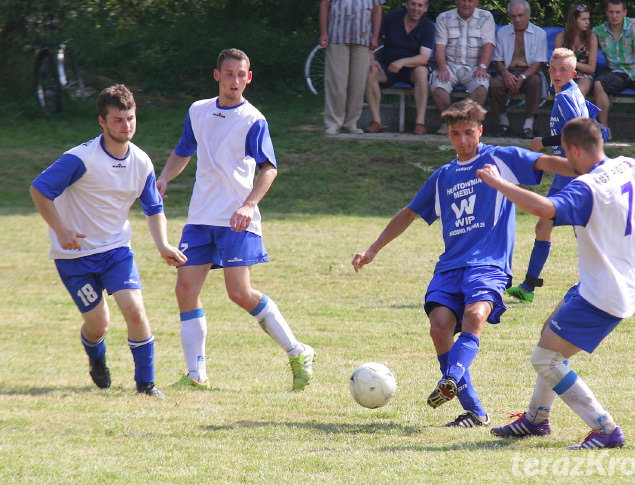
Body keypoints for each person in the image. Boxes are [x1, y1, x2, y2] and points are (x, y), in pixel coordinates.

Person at [352, 98, 578, 428]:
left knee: (475, 315)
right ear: (448, 134)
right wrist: (373, 249)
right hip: (450, 266)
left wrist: (589, 166)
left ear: (480, 130)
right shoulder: (443, 176)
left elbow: (547, 162)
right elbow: (409, 212)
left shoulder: (500, 159)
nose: (463, 140)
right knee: (439, 327)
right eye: (455, 134)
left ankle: (453, 377)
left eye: (469, 132)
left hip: (488, 263)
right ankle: (475, 410)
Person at [479, 117, 635, 449]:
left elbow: (545, 208)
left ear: (574, 149)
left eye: (565, 153)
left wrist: (498, 183)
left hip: (602, 294)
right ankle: (536, 419)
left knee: (545, 359)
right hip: (603, 284)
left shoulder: (587, 188)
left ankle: (606, 429)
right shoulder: (630, 166)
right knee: (549, 333)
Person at [156, 49, 316, 392]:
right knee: (185, 289)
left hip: (236, 219)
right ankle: (196, 374)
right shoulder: (198, 111)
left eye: (240, 74)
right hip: (200, 217)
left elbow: (269, 168)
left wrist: (248, 205)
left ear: (249, 77)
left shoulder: (253, 119)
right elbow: (184, 150)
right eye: (228, 74)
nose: (234, 80)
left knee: (239, 293)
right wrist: (165, 178)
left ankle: (297, 350)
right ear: (217, 75)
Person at [29, 84, 187, 398]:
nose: (126, 125)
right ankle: (95, 356)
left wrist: (163, 245)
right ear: (102, 122)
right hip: (74, 257)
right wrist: (61, 230)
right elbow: (39, 189)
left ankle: (146, 384)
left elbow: (154, 208)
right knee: (98, 324)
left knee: (135, 311)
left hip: (115, 250)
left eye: (130, 118)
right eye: (117, 120)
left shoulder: (141, 162)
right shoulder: (81, 159)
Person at [507, 48, 600, 303]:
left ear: (572, 73)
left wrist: (542, 142)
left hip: (571, 172)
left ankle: (624, 271)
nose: (557, 74)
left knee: (579, 229)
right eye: (554, 69)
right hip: (569, 170)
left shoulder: (565, 99)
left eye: (563, 70)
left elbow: (578, 131)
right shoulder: (571, 94)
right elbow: (591, 118)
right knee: (548, 225)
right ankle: (528, 287)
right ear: (549, 70)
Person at [592, 0, 635, 144]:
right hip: (619, 71)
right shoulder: (598, 31)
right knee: (598, 85)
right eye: (611, 12)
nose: (614, 16)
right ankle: (604, 129)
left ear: (625, 13)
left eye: (618, 12)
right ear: (606, 13)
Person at [365, 0, 435, 135]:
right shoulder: (392, 18)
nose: (416, 8)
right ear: (406, 5)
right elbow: (371, 38)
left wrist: (402, 62)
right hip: (387, 66)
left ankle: (420, 123)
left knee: (422, 72)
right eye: (413, 4)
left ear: (425, 8)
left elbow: (424, 57)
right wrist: (371, 59)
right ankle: (376, 121)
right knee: (371, 72)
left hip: (412, 69)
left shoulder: (427, 27)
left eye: (420, 5)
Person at [430, 0, 496, 135]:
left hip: (475, 67)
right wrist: (442, 68)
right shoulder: (444, 18)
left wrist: (482, 67)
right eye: (463, 0)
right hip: (449, 65)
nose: (466, 4)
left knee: (481, 88)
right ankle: (448, 123)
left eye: (470, 1)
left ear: (476, 2)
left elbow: (488, 45)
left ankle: (466, 124)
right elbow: (440, 47)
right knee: (437, 87)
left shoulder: (486, 17)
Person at [319, 0, 384, 135]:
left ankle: (351, 123)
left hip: (363, 37)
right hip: (337, 36)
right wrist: (324, 32)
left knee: (358, 83)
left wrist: (375, 36)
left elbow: (377, 9)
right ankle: (334, 123)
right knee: (337, 83)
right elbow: (325, 4)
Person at [490, 0, 548, 139]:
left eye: (520, 15)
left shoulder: (539, 34)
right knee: (494, 85)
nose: (517, 19)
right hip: (508, 70)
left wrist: (522, 78)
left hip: (529, 71)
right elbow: (498, 60)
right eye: (513, 16)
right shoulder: (503, 33)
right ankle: (504, 123)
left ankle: (528, 126)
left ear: (528, 15)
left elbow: (539, 62)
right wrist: (506, 75)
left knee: (535, 82)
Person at [554, 4, 599, 96]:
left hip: (584, 75)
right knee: (565, 92)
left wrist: (572, 63)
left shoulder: (591, 38)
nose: (587, 22)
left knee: (578, 92)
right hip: (564, 74)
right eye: (583, 19)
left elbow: (591, 68)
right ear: (574, 21)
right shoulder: (561, 37)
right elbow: (556, 63)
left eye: (588, 19)